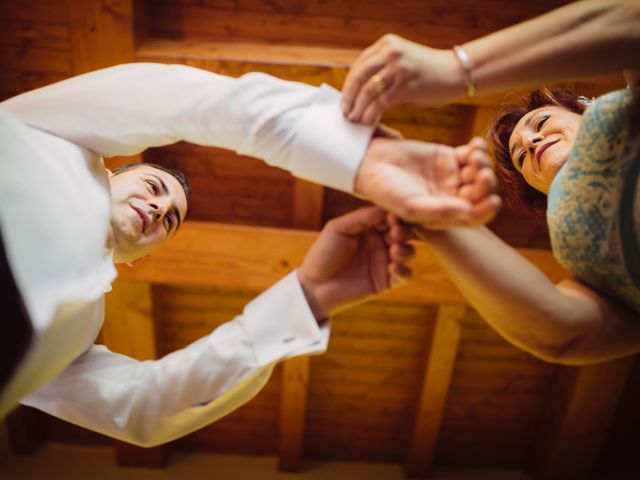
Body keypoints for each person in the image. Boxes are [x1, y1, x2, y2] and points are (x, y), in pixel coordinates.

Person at [0, 63, 497, 444]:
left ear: (140, 259)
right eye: (154, 187)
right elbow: (169, 101)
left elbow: (144, 407)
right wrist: (353, 152)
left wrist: (305, 300)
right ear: (112, 171)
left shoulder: (79, 329)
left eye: (170, 217)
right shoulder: (52, 137)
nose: (160, 206)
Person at [344, 0, 640, 365]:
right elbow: (562, 333)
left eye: (543, 122)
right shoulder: (596, 268)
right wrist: (432, 218)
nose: (530, 143)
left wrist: (457, 69)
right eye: (520, 158)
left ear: (584, 108)